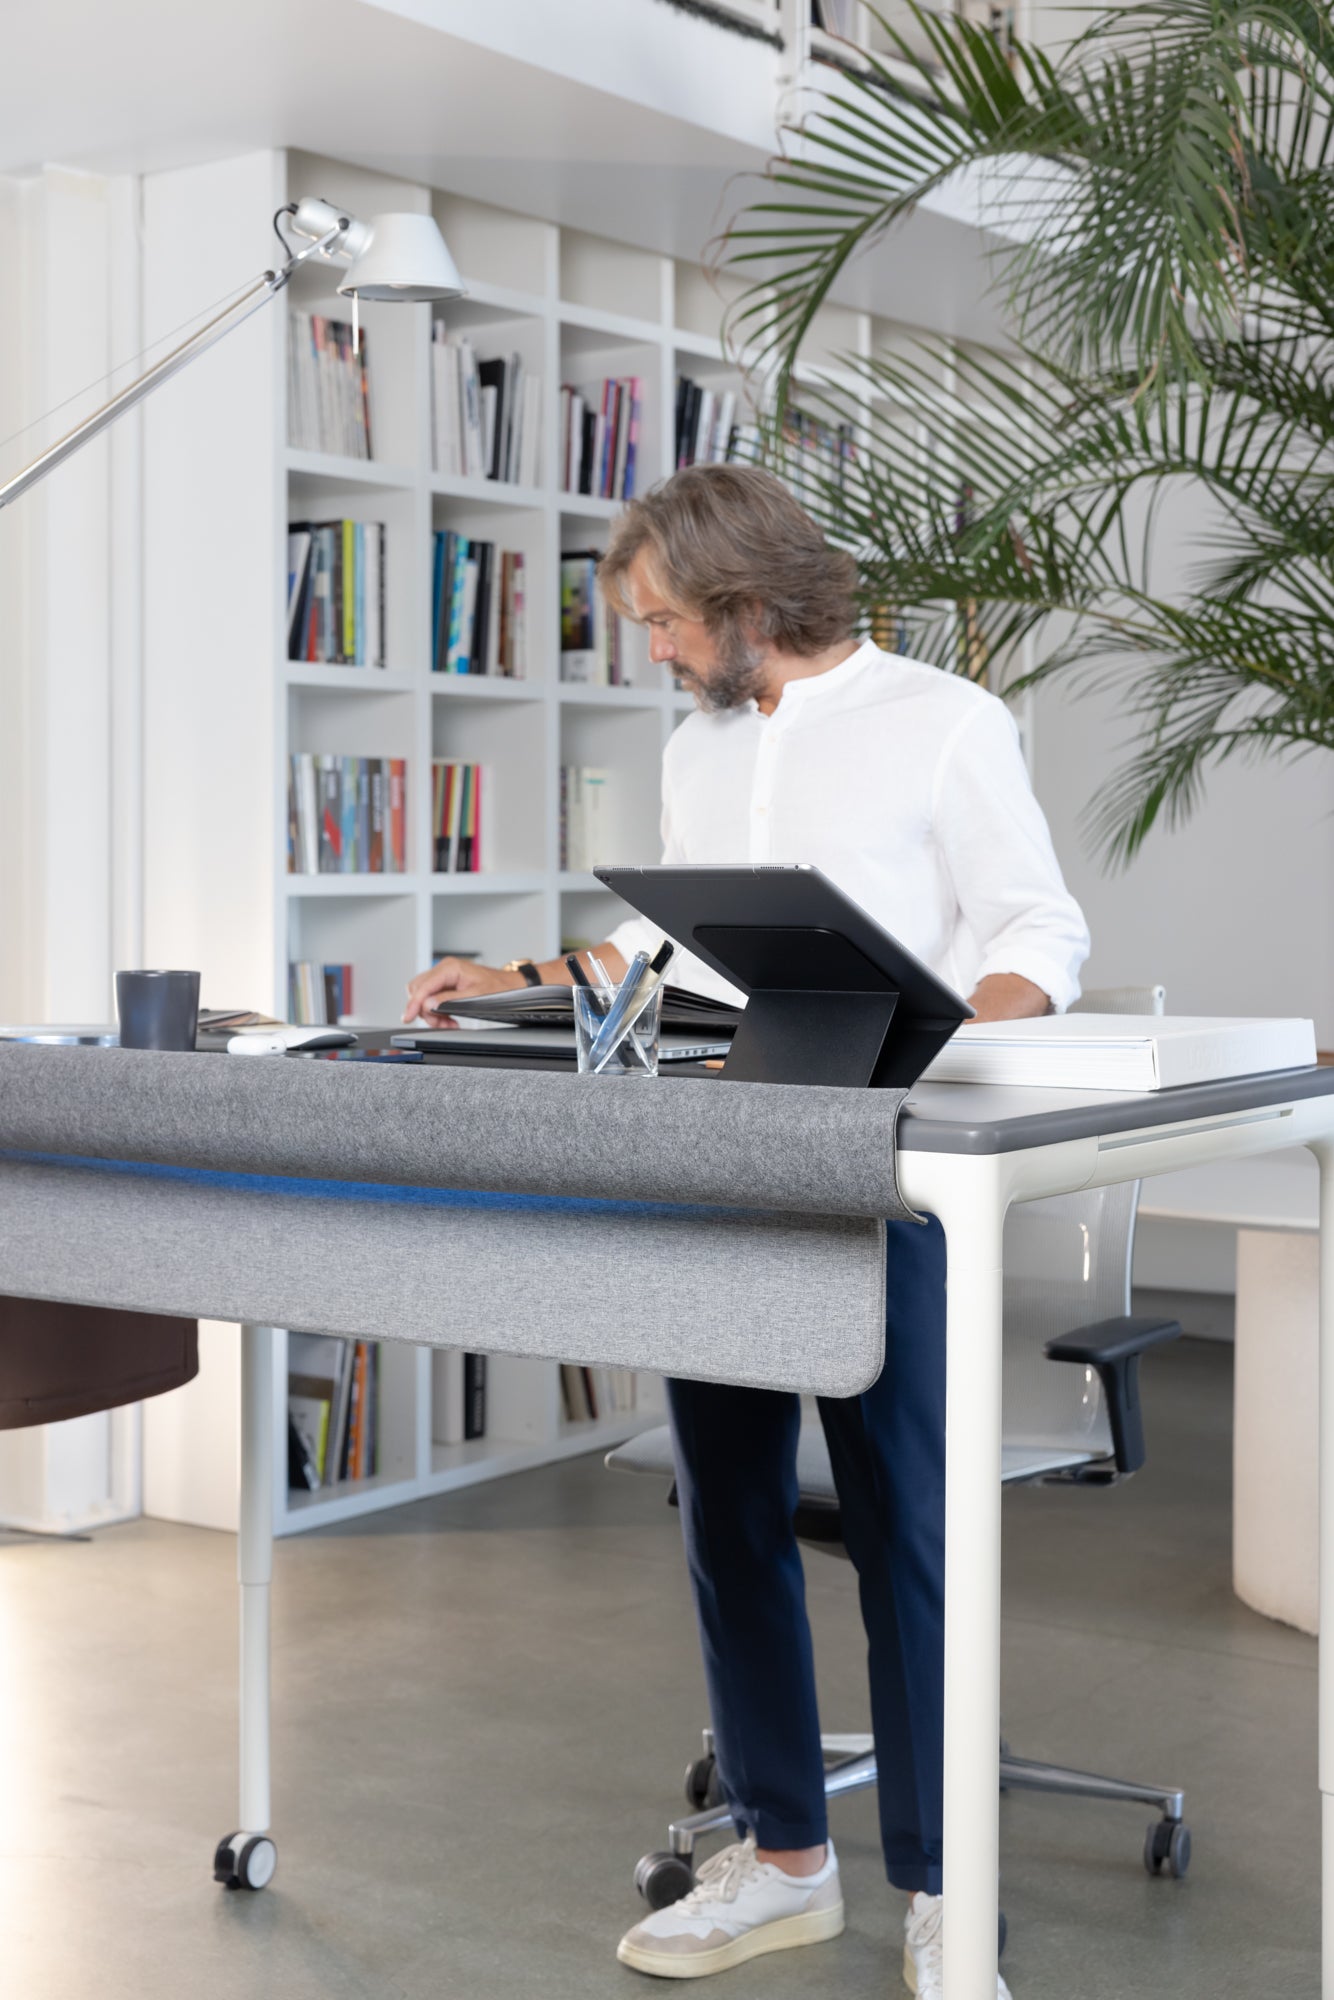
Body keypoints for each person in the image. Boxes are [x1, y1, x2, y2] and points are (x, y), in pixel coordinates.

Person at [403, 464, 1089, 1998]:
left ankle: (937, 1880)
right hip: (722, 1160)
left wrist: (943, 1051)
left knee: (902, 1526)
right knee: (725, 1513)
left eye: (658, 622)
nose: (647, 649)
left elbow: (1038, 926)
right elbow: (668, 948)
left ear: (741, 604)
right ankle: (784, 1858)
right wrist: (509, 973)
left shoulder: (943, 723)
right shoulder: (697, 748)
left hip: (884, 1172)